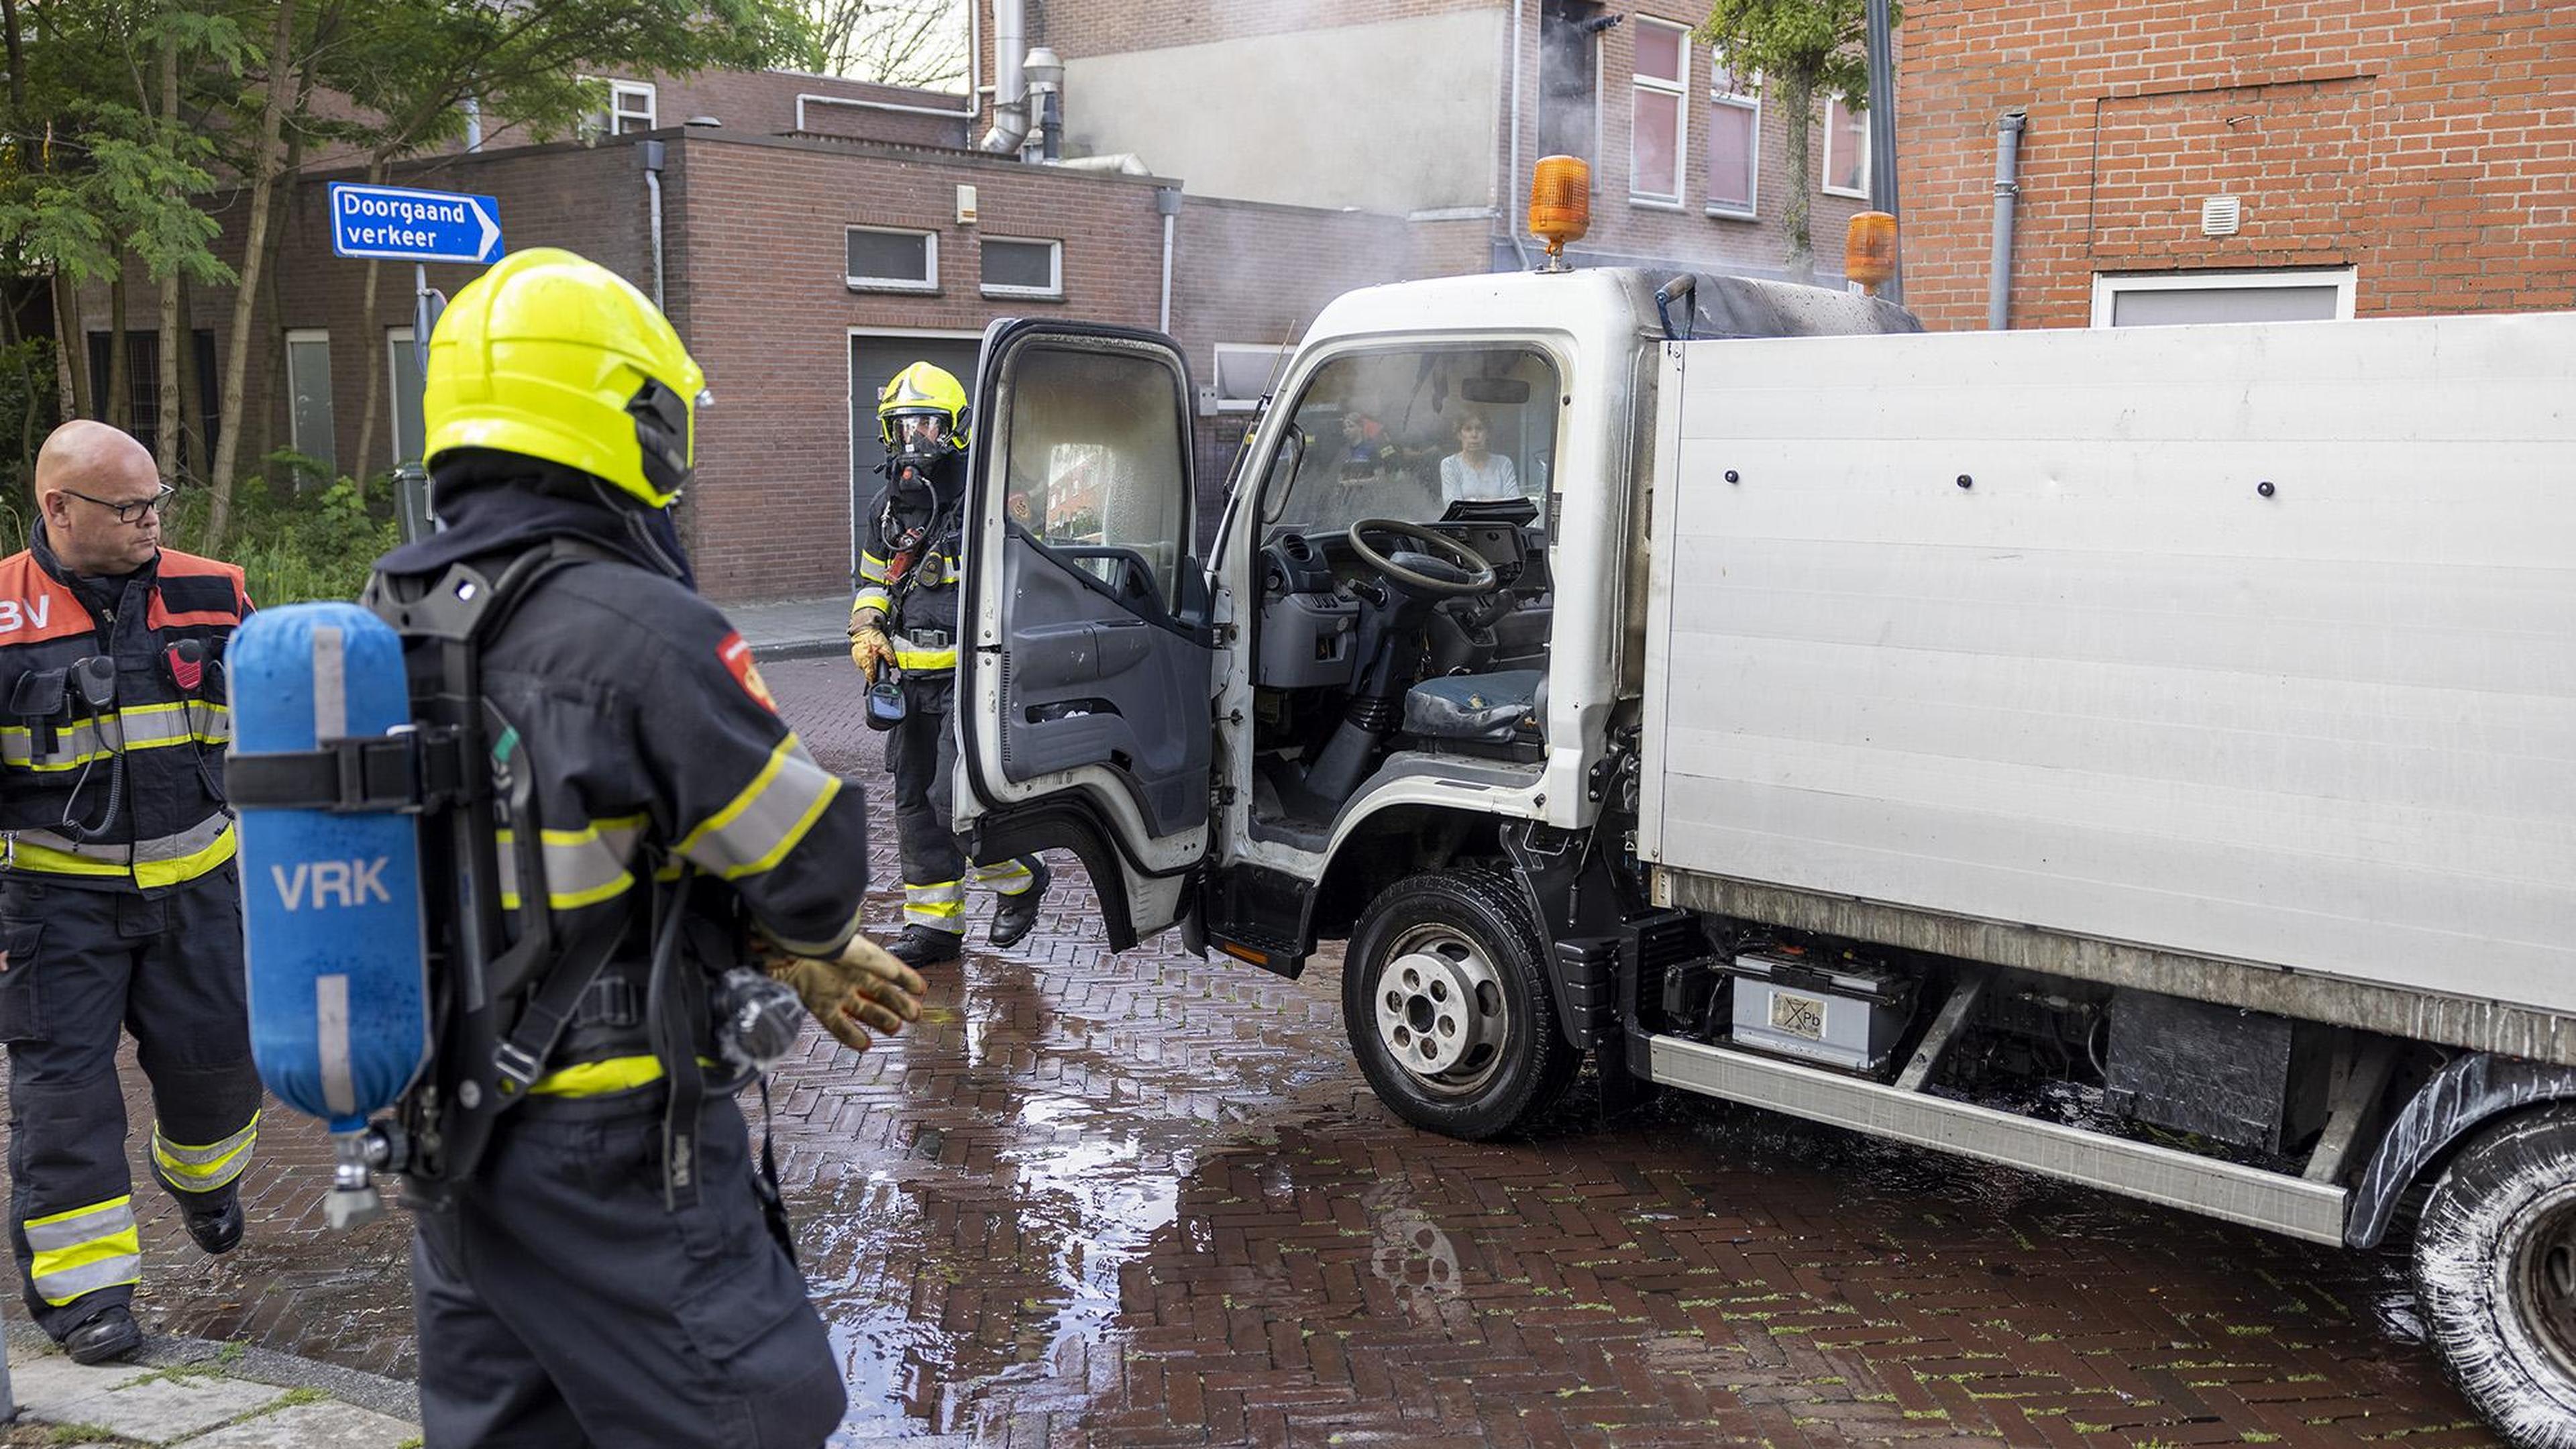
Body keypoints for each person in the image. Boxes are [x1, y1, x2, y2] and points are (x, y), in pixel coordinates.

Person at [374, 247, 925, 1447]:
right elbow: (808, 862)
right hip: (616, 1145)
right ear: (626, 422)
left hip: (450, 1136)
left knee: (515, 1428)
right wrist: (807, 944)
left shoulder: (387, 623)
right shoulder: (639, 629)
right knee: (754, 1417)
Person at [0, 421, 260, 1364]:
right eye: (128, 507)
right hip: (53, 911)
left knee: (220, 1079)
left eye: (158, 501)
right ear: (58, 509)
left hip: (199, 894)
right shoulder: (2, 614)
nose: (151, 521)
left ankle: (203, 1185)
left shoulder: (217, 595)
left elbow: (286, 726)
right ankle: (87, 1299)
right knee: (63, 1103)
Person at [848, 362, 1051, 971]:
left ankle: (1020, 881)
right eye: (904, 426)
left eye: (928, 425)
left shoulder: (987, 494)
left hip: (971, 683)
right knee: (913, 802)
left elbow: (1020, 578)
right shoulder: (888, 505)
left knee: (951, 802)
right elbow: (871, 581)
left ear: (955, 428)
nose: (916, 440)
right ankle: (935, 928)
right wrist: (867, 627)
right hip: (908, 684)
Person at [1438, 411, 1521, 504]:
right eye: (1468, 429)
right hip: (1465, 519)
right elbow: (1453, 506)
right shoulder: (1450, 465)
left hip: (1498, 519)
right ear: (1459, 435)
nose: (1474, 435)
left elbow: (1514, 503)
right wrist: (1494, 503)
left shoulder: (1504, 464)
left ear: (1487, 434)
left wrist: (1472, 501)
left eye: (1480, 429)